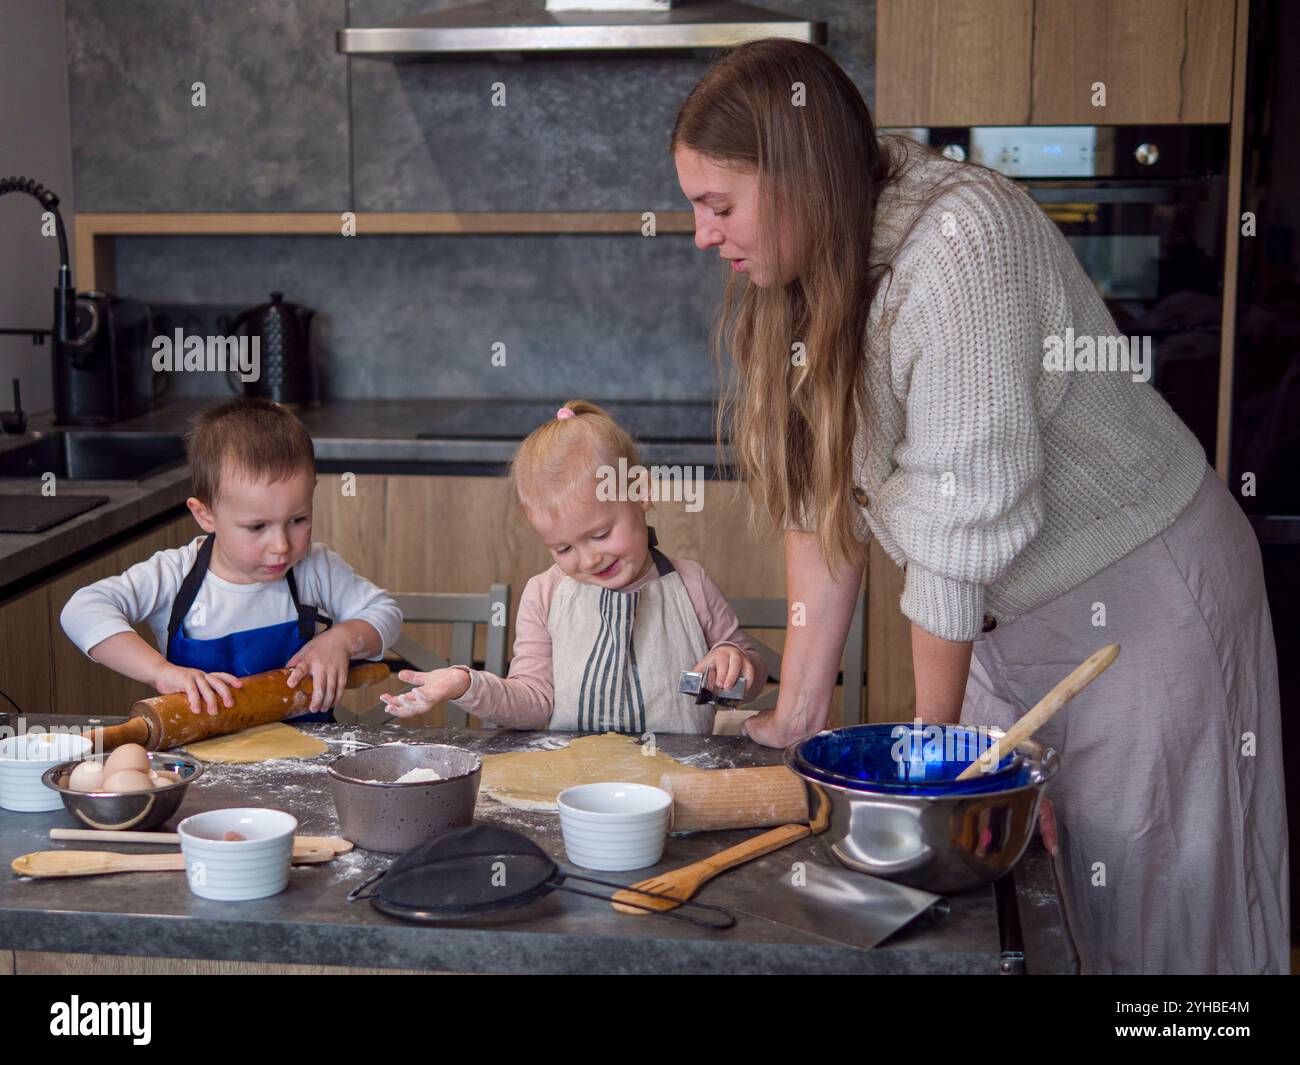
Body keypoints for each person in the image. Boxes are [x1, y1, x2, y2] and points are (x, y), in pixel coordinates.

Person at [670, 38, 1288, 974]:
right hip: (1005, 621)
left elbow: (956, 539)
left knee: (1161, 935)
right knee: (1044, 922)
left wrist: (937, 785)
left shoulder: (961, 248)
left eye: (719, 205)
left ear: (800, 178)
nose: (702, 235)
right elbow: (821, 503)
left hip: (1150, 605)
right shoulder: (804, 274)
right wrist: (797, 713)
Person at [383, 400, 767, 733]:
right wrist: (465, 683)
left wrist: (734, 661)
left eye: (600, 534)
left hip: (677, 781)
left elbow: (755, 677)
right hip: (578, 788)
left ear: (641, 492)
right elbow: (532, 701)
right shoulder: (545, 594)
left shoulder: (690, 584)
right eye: (563, 547)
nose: (588, 559)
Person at [60, 398, 402, 720]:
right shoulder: (174, 574)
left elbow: (386, 613)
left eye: (298, 520)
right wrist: (161, 673)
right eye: (257, 526)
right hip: (201, 770)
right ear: (205, 515)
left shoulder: (315, 568)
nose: (281, 545)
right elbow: (82, 609)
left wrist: (342, 640)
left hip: (307, 767)